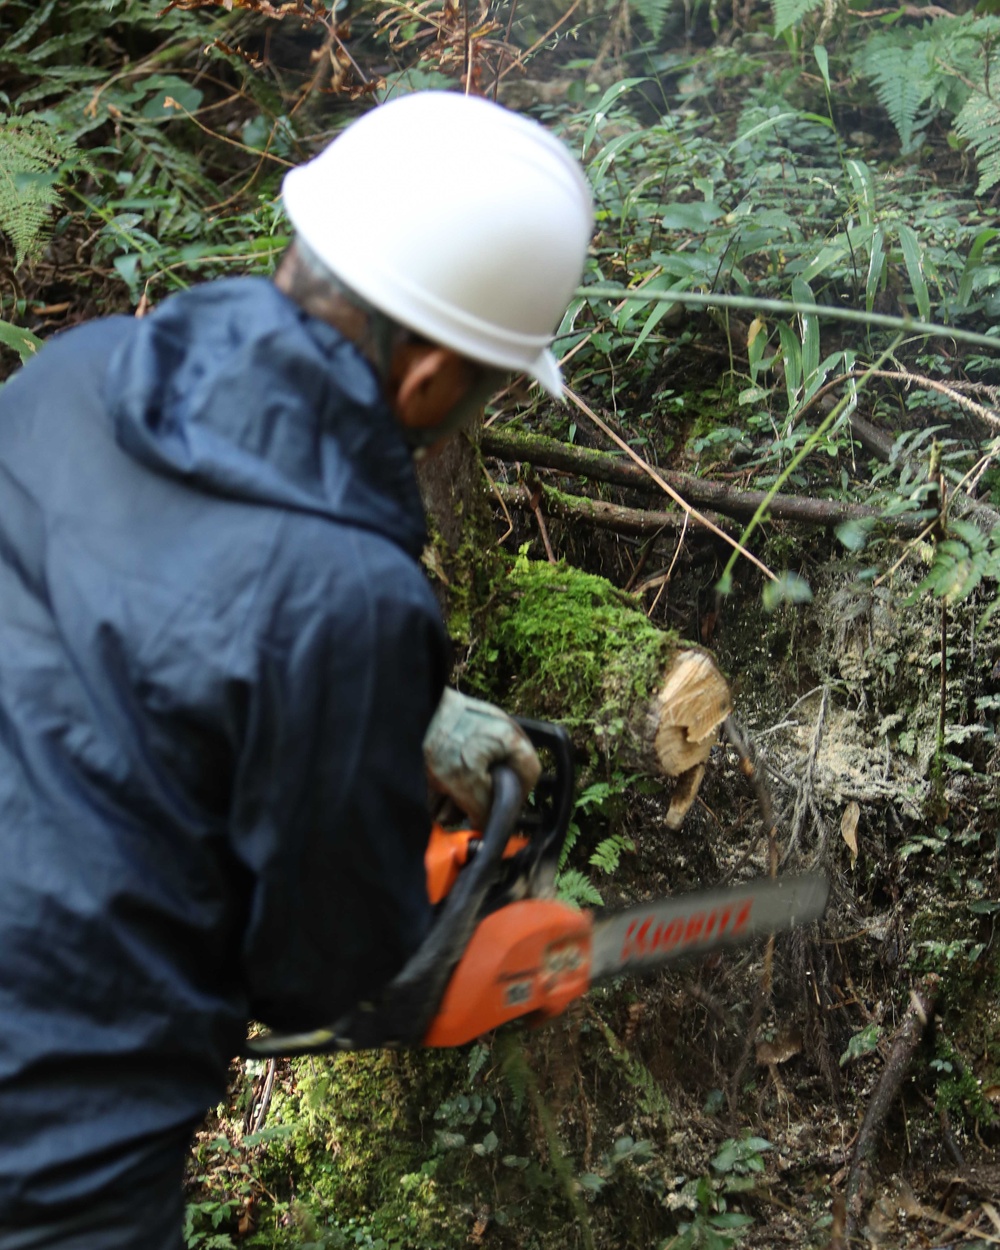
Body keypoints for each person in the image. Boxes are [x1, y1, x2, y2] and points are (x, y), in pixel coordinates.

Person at [0, 91, 592, 1249]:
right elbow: (318, 968)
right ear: (428, 377)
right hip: (53, 1139)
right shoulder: (349, 592)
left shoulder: (74, 375)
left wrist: (379, 713)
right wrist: (433, 939)